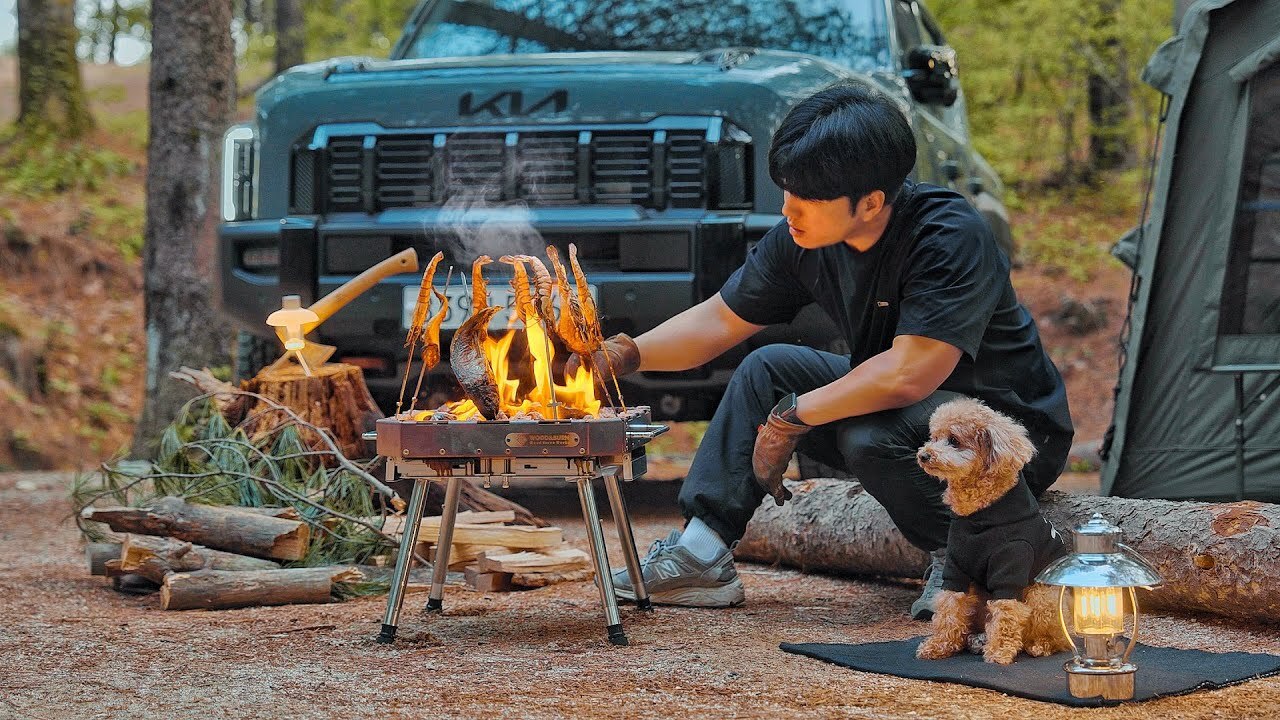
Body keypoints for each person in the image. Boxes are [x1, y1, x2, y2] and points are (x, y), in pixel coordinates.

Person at [569, 83, 1074, 619]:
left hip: (1006, 436)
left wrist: (792, 418)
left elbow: (909, 374)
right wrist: (619, 355)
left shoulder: (948, 235)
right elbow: (719, 320)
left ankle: (962, 564)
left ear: (872, 202)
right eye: (786, 190)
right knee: (768, 367)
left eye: (807, 197)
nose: (788, 208)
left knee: (868, 433)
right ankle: (700, 557)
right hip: (905, 410)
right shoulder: (803, 236)